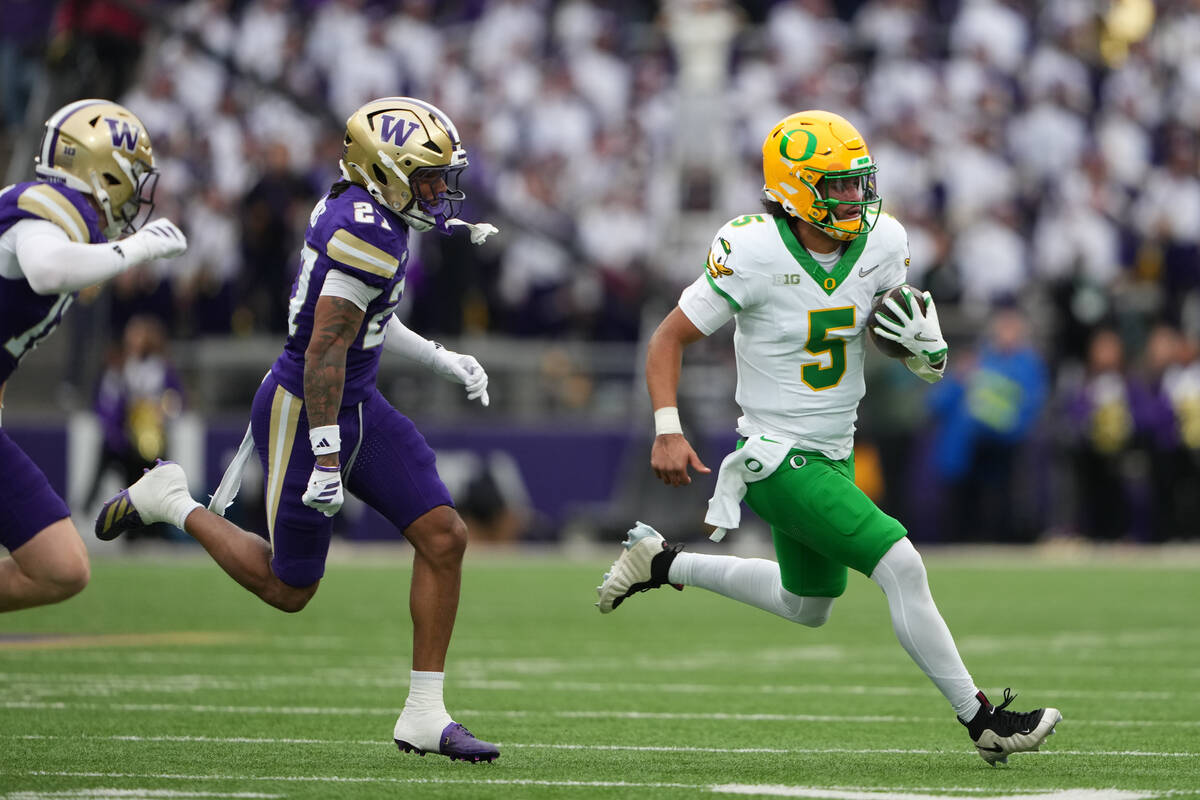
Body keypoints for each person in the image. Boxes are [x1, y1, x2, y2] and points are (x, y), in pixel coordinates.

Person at [596, 110, 1061, 765]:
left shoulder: (882, 242)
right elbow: (667, 338)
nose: (855, 198)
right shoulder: (752, 249)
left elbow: (881, 328)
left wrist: (923, 354)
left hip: (832, 452)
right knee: (901, 564)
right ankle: (983, 719)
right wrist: (666, 429)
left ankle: (662, 562)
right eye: (837, 186)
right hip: (774, 456)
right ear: (793, 188)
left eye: (858, 184)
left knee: (807, 603)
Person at [95, 97, 500, 763]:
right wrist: (327, 453)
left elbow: (368, 320)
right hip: (306, 404)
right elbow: (322, 353)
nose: (437, 190)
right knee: (291, 588)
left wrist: (441, 358)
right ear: (384, 172)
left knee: (444, 537)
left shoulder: (376, 217)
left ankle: (425, 714)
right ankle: (172, 500)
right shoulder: (366, 232)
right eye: (426, 176)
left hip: (356, 395)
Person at [0, 98, 187, 612]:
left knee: (61, 568)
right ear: (104, 169)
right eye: (134, 175)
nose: (138, 192)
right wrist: (140, 247)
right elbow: (47, 270)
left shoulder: (75, 225)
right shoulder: (46, 205)